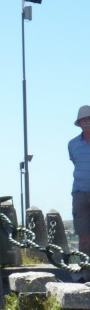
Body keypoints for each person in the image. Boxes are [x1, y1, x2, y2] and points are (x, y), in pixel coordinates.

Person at [69, 105, 90, 259]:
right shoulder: (72, 144)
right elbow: (76, 162)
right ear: (80, 123)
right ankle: (87, 274)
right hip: (80, 193)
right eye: (84, 119)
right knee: (84, 237)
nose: (87, 122)